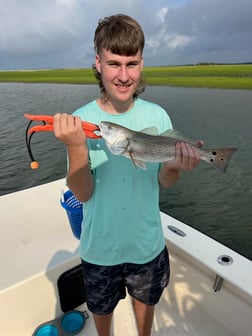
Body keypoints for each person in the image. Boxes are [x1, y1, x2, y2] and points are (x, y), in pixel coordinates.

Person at [54, 14, 201, 336]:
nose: (123, 75)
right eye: (113, 63)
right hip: (99, 249)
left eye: (131, 64)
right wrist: (77, 147)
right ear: (98, 63)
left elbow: (164, 181)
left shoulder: (157, 115)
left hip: (147, 244)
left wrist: (173, 166)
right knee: (101, 310)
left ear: (142, 64)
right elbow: (82, 194)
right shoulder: (82, 119)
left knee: (145, 305)